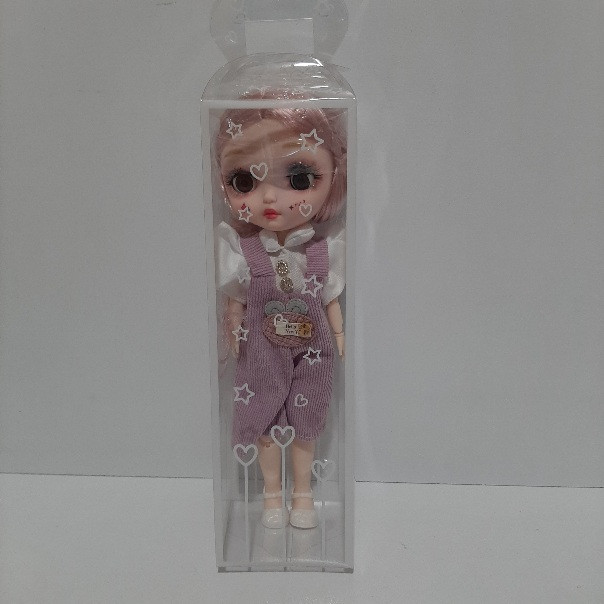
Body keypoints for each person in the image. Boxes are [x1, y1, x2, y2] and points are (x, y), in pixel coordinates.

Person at [214, 94, 347, 529]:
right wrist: (232, 328)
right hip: (260, 350)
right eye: (244, 181)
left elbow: (329, 299)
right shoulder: (243, 251)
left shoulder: (322, 251)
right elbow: (236, 299)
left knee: (308, 417)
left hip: (314, 348)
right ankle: (272, 496)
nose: (270, 196)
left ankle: (302, 494)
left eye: (300, 177)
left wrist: (339, 334)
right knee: (265, 418)